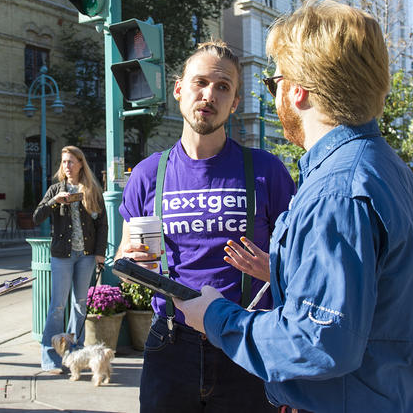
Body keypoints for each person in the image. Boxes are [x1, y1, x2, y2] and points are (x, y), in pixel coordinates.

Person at [175, 0, 413, 413]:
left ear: (297, 91)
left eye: (274, 84)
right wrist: (288, 270)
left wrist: (215, 315)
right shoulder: (387, 169)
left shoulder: (336, 190)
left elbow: (318, 342)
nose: (274, 96)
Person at [117, 40, 296, 412]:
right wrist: (129, 262)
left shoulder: (267, 171)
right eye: (200, 83)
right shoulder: (149, 175)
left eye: (223, 87)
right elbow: (125, 261)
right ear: (179, 90)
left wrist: (274, 270)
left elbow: (303, 267)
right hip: (169, 345)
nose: (209, 95)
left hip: (245, 342)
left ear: (234, 103)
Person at [33, 145, 108, 372]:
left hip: (85, 256)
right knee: (57, 306)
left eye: (71, 162)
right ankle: (50, 358)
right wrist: (55, 200)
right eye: (64, 162)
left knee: (80, 305)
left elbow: (102, 224)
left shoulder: (92, 189)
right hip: (62, 256)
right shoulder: (56, 189)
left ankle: (76, 355)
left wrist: (99, 254)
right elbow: (37, 217)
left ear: (81, 164)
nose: (67, 166)